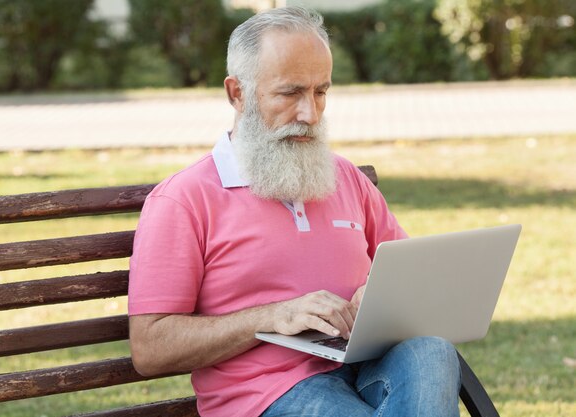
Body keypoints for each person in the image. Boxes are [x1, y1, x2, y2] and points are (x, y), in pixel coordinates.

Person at [128, 6, 461, 417]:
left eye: (321, 91)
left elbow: (412, 272)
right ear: (237, 93)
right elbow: (150, 347)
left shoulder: (343, 176)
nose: (311, 114)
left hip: (364, 367)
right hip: (268, 394)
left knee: (432, 352)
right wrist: (274, 316)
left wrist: (375, 294)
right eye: (291, 93)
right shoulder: (184, 200)